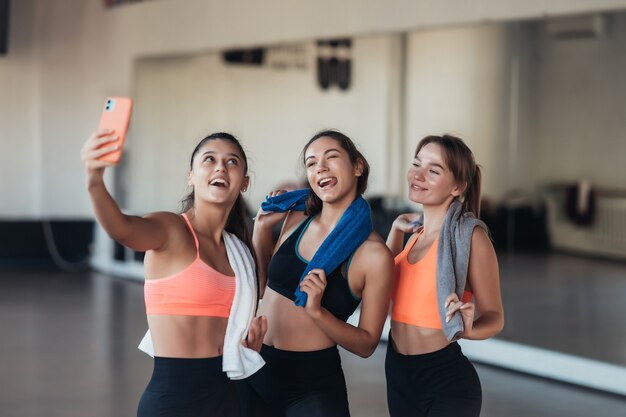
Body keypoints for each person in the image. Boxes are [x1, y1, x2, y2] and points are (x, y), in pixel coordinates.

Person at [81, 130, 267, 417]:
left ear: (244, 183)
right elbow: (122, 228)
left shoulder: (238, 251)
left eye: (232, 162)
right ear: (191, 176)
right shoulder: (172, 231)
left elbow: (253, 298)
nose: (220, 167)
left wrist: (245, 346)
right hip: (173, 403)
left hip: (227, 399)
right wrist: (94, 181)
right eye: (209, 159)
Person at [237, 130, 394, 417]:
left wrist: (317, 312)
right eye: (311, 163)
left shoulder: (374, 255)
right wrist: (260, 228)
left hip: (311, 386)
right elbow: (263, 288)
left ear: (357, 166)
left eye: (331, 157)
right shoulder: (297, 218)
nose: (320, 167)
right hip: (257, 367)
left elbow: (367, 343)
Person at [385, 134, 504, 417]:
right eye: (416, 164)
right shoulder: (413, 235)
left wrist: (470, 328)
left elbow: (495, 316)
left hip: (445, 382)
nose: (418, 175)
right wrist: (394, 231)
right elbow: (381, 284)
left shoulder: (470, 236)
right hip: (398, 372)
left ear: (458, 186)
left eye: (433, 170)